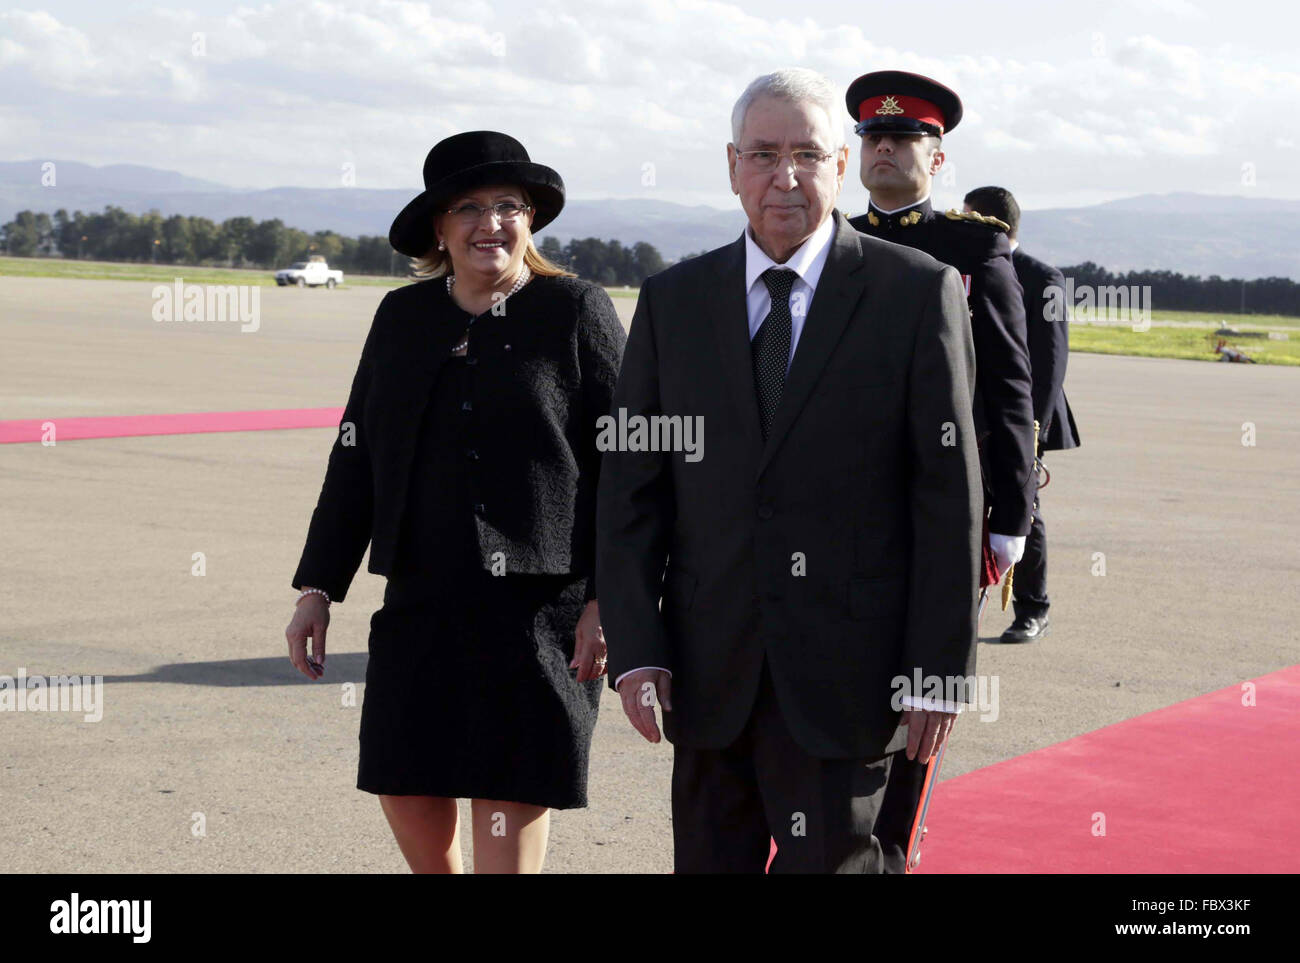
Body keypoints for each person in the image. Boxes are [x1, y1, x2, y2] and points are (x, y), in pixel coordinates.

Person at [596, 68, 982, 873]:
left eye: (808, 153)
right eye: (765, 154)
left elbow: (948, 497)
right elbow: (634, 490)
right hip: (709, 675)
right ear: (732, 165)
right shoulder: (674, 301)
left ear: (841, 165)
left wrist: (938, 671)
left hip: (850, 674)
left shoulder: (916, 293)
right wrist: (638, 644)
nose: (786, 176)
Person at [284, 131, 626, 873]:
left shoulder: (574, 310)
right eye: (468, 207)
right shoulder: (403, 318)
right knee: (405, 781)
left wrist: (611, 598)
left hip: (538, 615)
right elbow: (356, 457)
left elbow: (624, 465)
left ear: (531, 220)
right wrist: (317, 585)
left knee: (505, 829)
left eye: (509, 205)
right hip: (421, 601)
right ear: (438, 228)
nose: (490, 224)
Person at [843, 69, 1038, 870]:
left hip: (942, 508)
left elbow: (1010, 384)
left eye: (906, 140)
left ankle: (891, 846)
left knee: (926, 678)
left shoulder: (970, 246)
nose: (886, 149)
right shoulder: (829, 236)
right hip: (841, 504)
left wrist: (1010, 516)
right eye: (873, 138)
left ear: (938, 157)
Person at [964, 186, 1081, 643]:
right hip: (973, 417)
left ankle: (1034, 609)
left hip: (1023, 418)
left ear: (992, 223)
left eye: (969, 218)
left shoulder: (1041, 277)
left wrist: (1032, 433)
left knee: (1025, 508)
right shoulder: (967, 269)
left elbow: (1050, 362)